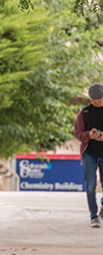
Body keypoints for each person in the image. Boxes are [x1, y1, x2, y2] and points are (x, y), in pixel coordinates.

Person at [74, 82, 103, 228]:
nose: (96, 101)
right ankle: (94, 216)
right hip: (89, 154)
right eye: (94, 98)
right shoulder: (84, 113)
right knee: (90, 186)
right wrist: (89, 135)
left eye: (99, 98)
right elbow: (78, 133)